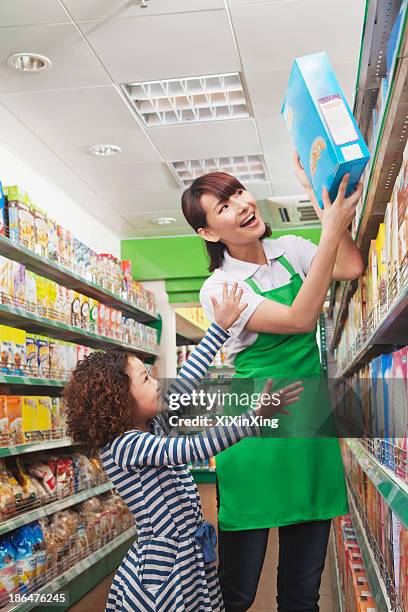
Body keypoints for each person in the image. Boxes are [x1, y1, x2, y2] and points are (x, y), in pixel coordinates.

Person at [181, 154, 364, 612]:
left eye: (239, 191)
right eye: (223, 207)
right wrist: (327, 231)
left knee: (303, 589)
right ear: (208, 232)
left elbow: (352, 266)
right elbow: (301, 319)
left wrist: (326, 212)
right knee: (237, 590)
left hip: (307, 424)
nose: (241, 204)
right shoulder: (219, 288)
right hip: (252, 430)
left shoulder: (293, 249)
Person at [63, 285, 303, 612]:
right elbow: (191, 448)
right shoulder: (125, 446)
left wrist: (218, 329)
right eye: (146, 379)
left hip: (188, 555)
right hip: (164, 567)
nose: (156, 382)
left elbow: (186, 381)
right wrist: (253, 419)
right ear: (119, 400)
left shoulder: (152, 425)